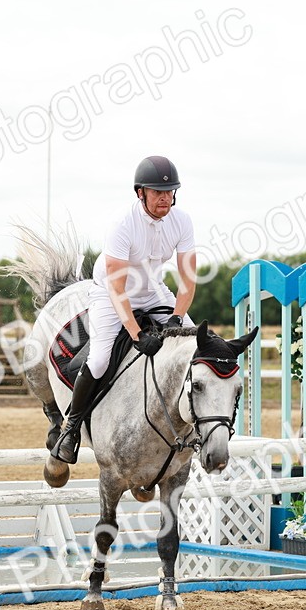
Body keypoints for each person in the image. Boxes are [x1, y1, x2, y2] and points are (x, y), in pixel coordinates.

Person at [50, 155, 199, 464]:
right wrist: (135, 334)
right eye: (158, 192)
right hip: (110, 293)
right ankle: (71, 427)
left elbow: (188, 281)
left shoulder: (181, 221)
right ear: (140, 193)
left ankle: (201, 424)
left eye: (170, 192)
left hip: (154, 290)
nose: (165, 198)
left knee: (194, 344)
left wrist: (175, 318)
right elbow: (118, 288)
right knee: (102, 357)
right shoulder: (122, 223)